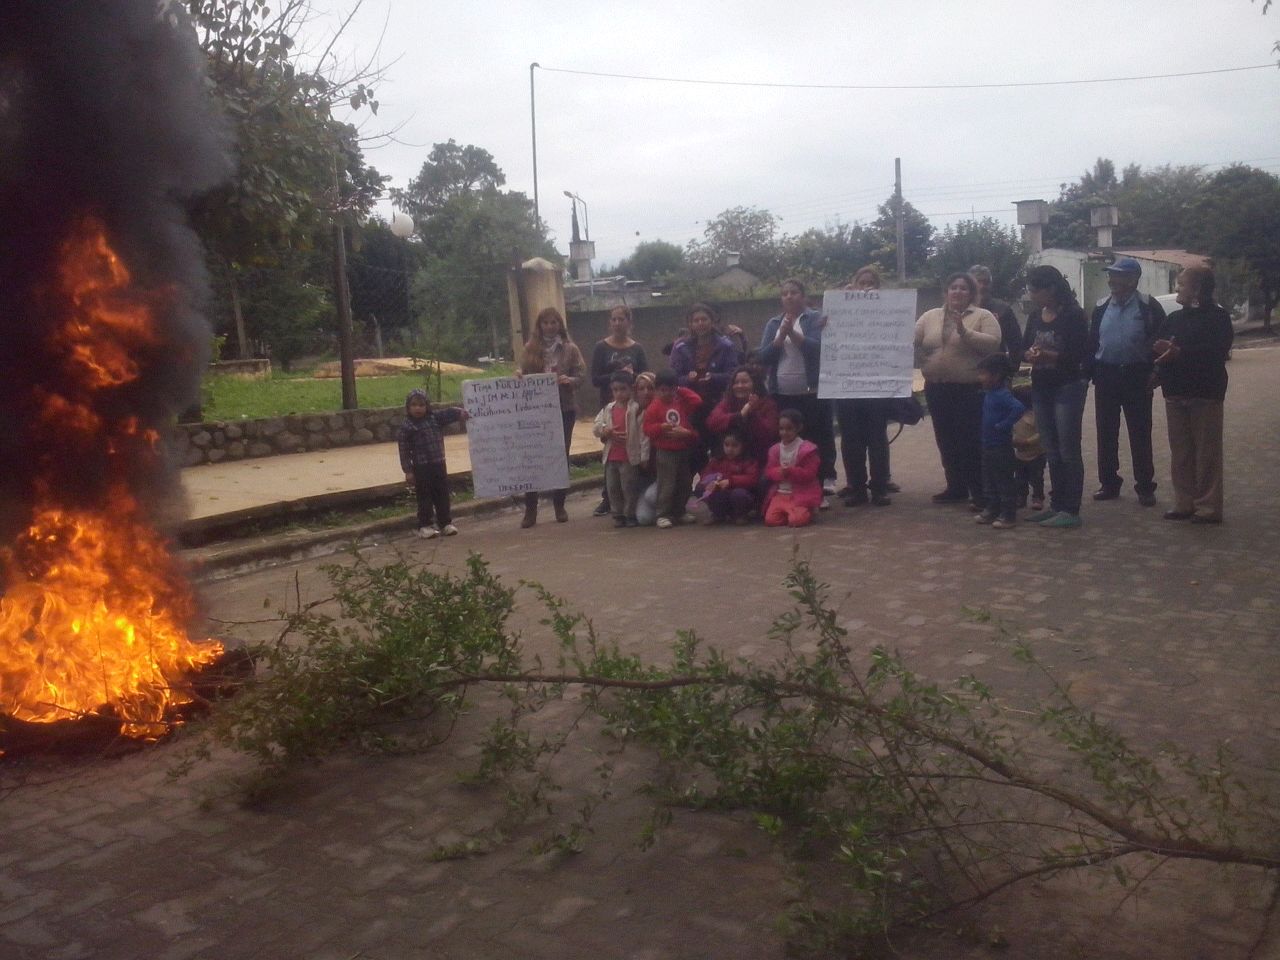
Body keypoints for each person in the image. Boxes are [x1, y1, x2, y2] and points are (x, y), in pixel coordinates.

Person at [914, 272, 1003, 508]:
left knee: (970, 441)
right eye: (953, 287)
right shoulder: (930, 316)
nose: (957, 292)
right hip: (937, 388)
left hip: (969, 390)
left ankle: (980, 492)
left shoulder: (983, 316)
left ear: (972, 293)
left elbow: (993, 343)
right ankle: (956, 487)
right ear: (946, 292)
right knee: (946, 439)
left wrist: (964, 331)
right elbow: (912, 339)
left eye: (963, 288)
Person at [1153, 266, 1233, 524]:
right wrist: (1160, 357)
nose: (1177, 288)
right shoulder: (1174, 319)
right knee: (1181, 453)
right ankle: (1184, 502)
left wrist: (1180, 352)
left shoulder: (1218, 318)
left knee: (1206, 453)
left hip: (1205, 393)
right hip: (1175, 393)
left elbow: (1217, 352)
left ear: (1197, 289)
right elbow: (1159, 348)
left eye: (1181, 284)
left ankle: (1208, 507)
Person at [1086, 257, 1166, 507]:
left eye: (1117, 275)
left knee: (1140, 433)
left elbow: (1162, 339)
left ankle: (1145, 487)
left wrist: (1157, 371)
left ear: (1133, 280)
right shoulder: (1101, 307)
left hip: (1137, 376)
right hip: (1106, 376)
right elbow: (1092, 342)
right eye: (1111, 275)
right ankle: (1109, 483)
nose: (1112, 280)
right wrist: (1091, 372)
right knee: (1106, 433)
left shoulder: (1148, 306)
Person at [1022, 265, 1090, 529]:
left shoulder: (1073, 315)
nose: (1032, 295)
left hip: (1068, 387)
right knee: (1050, 448)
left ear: (1050, 288)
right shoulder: (1035, 316)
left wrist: (1048, 355)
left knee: (1068, 449)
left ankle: (1071, 508)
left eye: (1035, 290)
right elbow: (1024, 347)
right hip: (1041, 386)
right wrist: (1030, 354)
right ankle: (1056, 504)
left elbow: (1079, 354)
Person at [758, 278, 837, 507]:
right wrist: (780, 338)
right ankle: (787, 491)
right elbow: (763, 357)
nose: (789, 297)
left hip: (812, 392)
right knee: (786, 443)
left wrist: (792, 333)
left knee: (814, 442)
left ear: (803, 296)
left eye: (794, 292)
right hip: (782, 394)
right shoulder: (774, 323)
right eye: (784, 293)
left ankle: (817, 491)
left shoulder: (815, 318)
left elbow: (819, 349)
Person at [518, 306, 585, 528]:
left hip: (564, 408)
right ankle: (531, 509)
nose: (549, 326)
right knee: (533, 456)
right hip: (536, 411)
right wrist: (518, 375)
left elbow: (581, 374)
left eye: (553, 322)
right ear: (540, 325)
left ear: (560, 324)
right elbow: (522, 371)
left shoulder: (570, 348)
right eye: (545, 323)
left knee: (561, 456)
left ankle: (559, 504)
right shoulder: (530, 348)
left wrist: (570, 380)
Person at [835, 265, 893, 507]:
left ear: (878, 287)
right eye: (862, 283)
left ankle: (879, 487)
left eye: (871, 283)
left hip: (875, 386)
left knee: (877, 439)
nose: (866, 288)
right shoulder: (840, 309)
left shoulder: (888, 311)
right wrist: (842, 302)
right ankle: (857, 488)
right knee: (851, 440)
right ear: (854, 285)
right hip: (846, 385)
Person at [589, 305, 649, 517]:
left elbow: (645, 377)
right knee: (610, 451)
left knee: (630, 449)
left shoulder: (637, 349)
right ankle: (609, 498)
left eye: (621, 319)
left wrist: (632, 377)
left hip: (632, 408)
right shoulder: (601, 347)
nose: (617, 323)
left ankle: (632, 498)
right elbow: (595, 379)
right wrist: (618, 375)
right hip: (610, 406)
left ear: (629, 322)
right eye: (613, 319)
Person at [668, 302, 741, 467]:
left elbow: (734, 375)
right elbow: (673, 378)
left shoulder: (726, 346)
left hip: (718, 404)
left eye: (704, 319)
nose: (700, 323)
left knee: (719, 450)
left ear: (712, 321)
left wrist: (713, 378)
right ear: (690, 324)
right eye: (696, 320)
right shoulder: (681, 347)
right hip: (690, 407)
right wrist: (688, 379)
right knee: (694, 453)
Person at [397, 388, 467, 539]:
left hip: (438, 464)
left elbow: (449, 413)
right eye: (414, 405)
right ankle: (425, 525)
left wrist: (460, 413)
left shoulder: (434, 418)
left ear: (427, 406)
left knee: (442, 494)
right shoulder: (407, 427)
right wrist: (408, 471)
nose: (418, 408)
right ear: (408, 407)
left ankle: (445, 523)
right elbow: (403, 451)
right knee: (424, 496)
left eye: (421, 405)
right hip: (420, 467)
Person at [642, 369, 702, 529]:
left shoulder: (680, 402)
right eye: (662, 390)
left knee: (685, 483)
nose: (667, 393)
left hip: (682, 449)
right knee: (666, 484)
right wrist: (661, 427)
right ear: (656, 390)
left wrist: (680, 389)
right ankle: (662, 514)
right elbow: (647, 429)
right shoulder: (654, 407)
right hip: (665, 452)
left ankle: (679, 511)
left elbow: (697, 401)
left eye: (670, 389)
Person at [974, 355, 1024, 529]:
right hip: (987, 444)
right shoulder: (989, 394)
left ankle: (1008, 514)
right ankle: (992, 509)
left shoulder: (1003, 394)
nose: (980, 378)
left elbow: (1018, 408)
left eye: (983, 374)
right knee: (989, 479)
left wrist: (1004, 424)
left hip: (1001, 446)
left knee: (1004, 480)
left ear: (996, 376)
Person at [592, 371, 645, 528]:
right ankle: (617, 514)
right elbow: (596, 426)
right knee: (613, 487)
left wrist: (644, 456)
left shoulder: (636, 409)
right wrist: (605, 430)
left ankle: (630, 514)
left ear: (631, 389)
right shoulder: (608, 409)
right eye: (615, 390)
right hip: (611, 456)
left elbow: (643, 435)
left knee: (629, 487)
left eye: (623, 389)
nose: (619, 393)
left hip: (629, 456)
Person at [705, 366, 779, 467]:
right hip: (728, 459)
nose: (739, 386)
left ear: (755, 384)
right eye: (736, 382)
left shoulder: (767, 404)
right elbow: (711, 422)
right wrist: (738, 416)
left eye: (744, 382)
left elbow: (769, 434)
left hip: (757, 460)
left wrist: (752, 413)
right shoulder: (728, 402)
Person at [763, 408, 821, 528]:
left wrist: (790, 471)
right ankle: (790, 512)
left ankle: (805, 510)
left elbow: (810, 474)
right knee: (770, 520)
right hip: (780, 494)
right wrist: (780, 472)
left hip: (800, 494)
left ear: (798, 428)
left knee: (796, 521)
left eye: (789, 429)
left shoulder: (807, 449)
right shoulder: (775, 449)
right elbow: (769, 471)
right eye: (781, 429)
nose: (784, 432)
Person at [698, 428, 760, 524]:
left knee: (738, 494)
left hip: (740, 494)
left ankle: (740, 515)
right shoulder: (717, 460)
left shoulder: (748, 461)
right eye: (726, 445)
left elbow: (752, 478)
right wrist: (711, 483)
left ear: (743, 446)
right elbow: (705, 475)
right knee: (701, 488)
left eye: (735, 446)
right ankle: (718, 514)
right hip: (721, 493)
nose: (730, 449)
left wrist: (730, 481)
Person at [970, 264, 1024, 365]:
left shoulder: (1002, 309)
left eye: (986, 282)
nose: (982, 286)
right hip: (964, 367)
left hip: (994, 366)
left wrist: (1011, 368)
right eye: (978, 281)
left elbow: (1016, 343)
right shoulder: (959, 308)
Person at [1011, 384, 1046, 512]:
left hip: (1036, 454)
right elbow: (1011, 430)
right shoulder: (1014, 416)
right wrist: (1013, 441)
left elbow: (1041, 433)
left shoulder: (1034, 416)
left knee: (1036, 478)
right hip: (1020, 454)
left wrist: (1028, 441)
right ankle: (1021, 496)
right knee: (1020, 478)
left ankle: (1038, 497)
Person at [632, 372, 660, 526]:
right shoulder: (631, 413)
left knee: (652, 497)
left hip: (662, 475)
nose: (646, 392)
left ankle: (674, 507)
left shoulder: (663, 412)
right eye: (641, 389)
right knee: (644, 518)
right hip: (642, 477)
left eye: (650, 388)